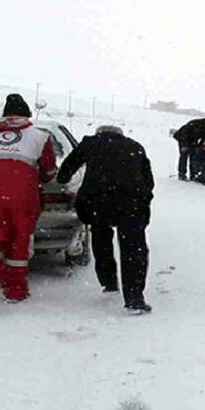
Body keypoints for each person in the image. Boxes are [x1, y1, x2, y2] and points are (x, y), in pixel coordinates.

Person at [0, 94, 57, 310]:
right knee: (19, 240)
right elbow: (49, 171)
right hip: (23, 196)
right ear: (27, 114)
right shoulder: (39, 137)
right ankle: (15, 290)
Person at [57, 124, 155, 314]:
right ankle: (134, 298)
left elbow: (67, 168)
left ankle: (109, 283)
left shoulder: (90, 143)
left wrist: (62, 179)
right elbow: (148, 181)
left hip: (97, 201)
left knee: (101, 238)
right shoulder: (135, 146)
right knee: (134, 247)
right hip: (131, 202)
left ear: (99, 133)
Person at [173, 115, 205, 181]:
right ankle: (182, 174)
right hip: (182, 137)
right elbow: (184, 133)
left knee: (194, 156)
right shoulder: (196, 123)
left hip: (193, 139)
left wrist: (200, 146)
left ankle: (193, 174)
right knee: (184, 154)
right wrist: (184, 145)